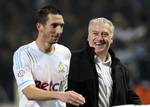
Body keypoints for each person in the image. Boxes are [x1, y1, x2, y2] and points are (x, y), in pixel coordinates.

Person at [13, 4, 85, 107]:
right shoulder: (23, 54)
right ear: (39, 26)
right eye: (54, 25)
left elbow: (62, 89)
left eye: (61, 26)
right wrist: (60, 95)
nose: (59, 31)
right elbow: (29, 92)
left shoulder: (65, 53)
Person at [67, 17, 141, 107]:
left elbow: (133, 99)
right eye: (95, 33)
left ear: (111, 39)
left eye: (105, 34)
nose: (99, 38)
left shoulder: (121, 69)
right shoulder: (72, 60)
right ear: (88, 37)